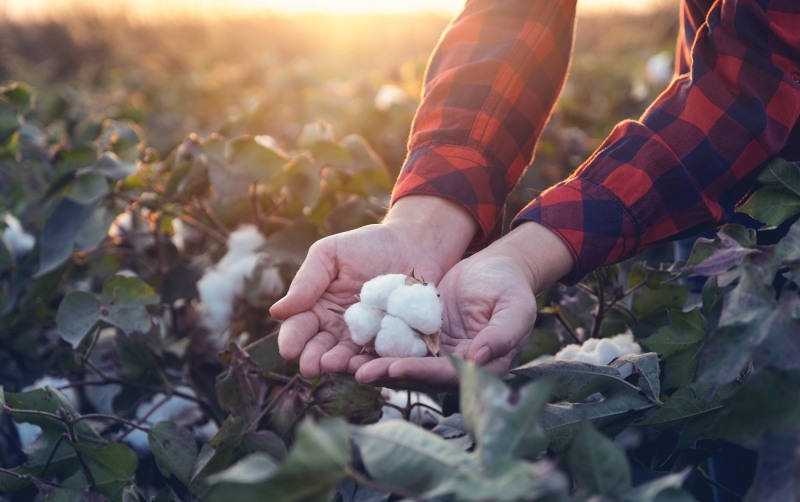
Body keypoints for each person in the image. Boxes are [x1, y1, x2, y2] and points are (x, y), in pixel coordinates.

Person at [270, 0, 800, 391]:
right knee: (729, 404)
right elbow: (513, 14)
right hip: (732, 205)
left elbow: (753, 80)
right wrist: (425, 218)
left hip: (776, 184)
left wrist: (528, 252)